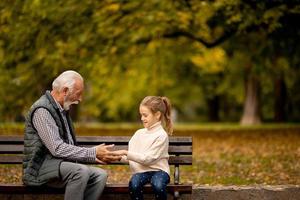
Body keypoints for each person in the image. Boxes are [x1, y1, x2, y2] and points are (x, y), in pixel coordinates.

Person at [23, 70, 121, 200]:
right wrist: (92, 153)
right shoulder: (42, 110)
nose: (80, 99)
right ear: (65, 91)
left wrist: (93, 156)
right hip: (40, 168)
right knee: (80, 172)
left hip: (59, 165)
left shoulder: (62, 110)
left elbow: (68, 147)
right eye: (78, 94)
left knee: (100, 175)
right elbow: (57, 148)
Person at [115, 96, 173, 200]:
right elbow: (133, 156)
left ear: (157, 115)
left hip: (159, 171)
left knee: (158, 184)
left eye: (145, 115)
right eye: (141, 115)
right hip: (141, 172)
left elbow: (148, 159)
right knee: (134, 184)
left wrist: (125, 152)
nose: (142, 118)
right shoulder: (138, 134)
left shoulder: (161, 135)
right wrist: (118, 157)